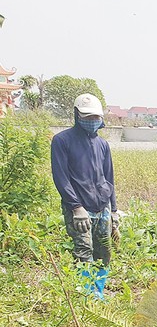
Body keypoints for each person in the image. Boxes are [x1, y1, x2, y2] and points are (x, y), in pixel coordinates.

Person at [51, 93, 119, 299]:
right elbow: (61, 177)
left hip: (102, 207)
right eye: (87, 117)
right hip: (80, 209)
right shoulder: (62, 141)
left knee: (104, 252)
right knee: (84, 252)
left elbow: (109, 179)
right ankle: (87, 296)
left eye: (95, 118)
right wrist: (75, 207)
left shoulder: (102, 145)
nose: (92, 122)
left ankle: (98, 292)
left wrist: (114, 210)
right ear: (76, 115)